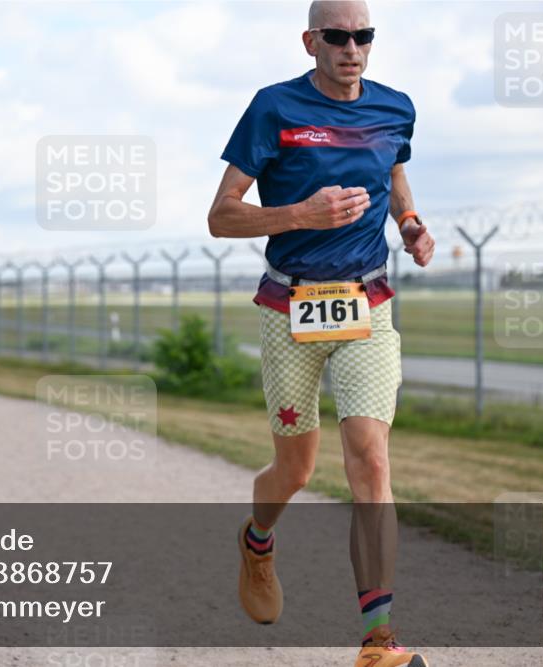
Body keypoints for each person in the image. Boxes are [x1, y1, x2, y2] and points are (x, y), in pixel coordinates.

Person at [207, 2, 435, 666]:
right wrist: (300, 212)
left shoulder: (396, 108)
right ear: (311, 41)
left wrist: (411, 220)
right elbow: (221, 215)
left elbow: (393, 174)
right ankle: (256, 541)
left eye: (363, 35)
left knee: (370, 458)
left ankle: (378, 640)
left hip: (368, 303)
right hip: (289, 308)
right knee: (296, 468)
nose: (351, 47)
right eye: (336, 36)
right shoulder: (273, 108)